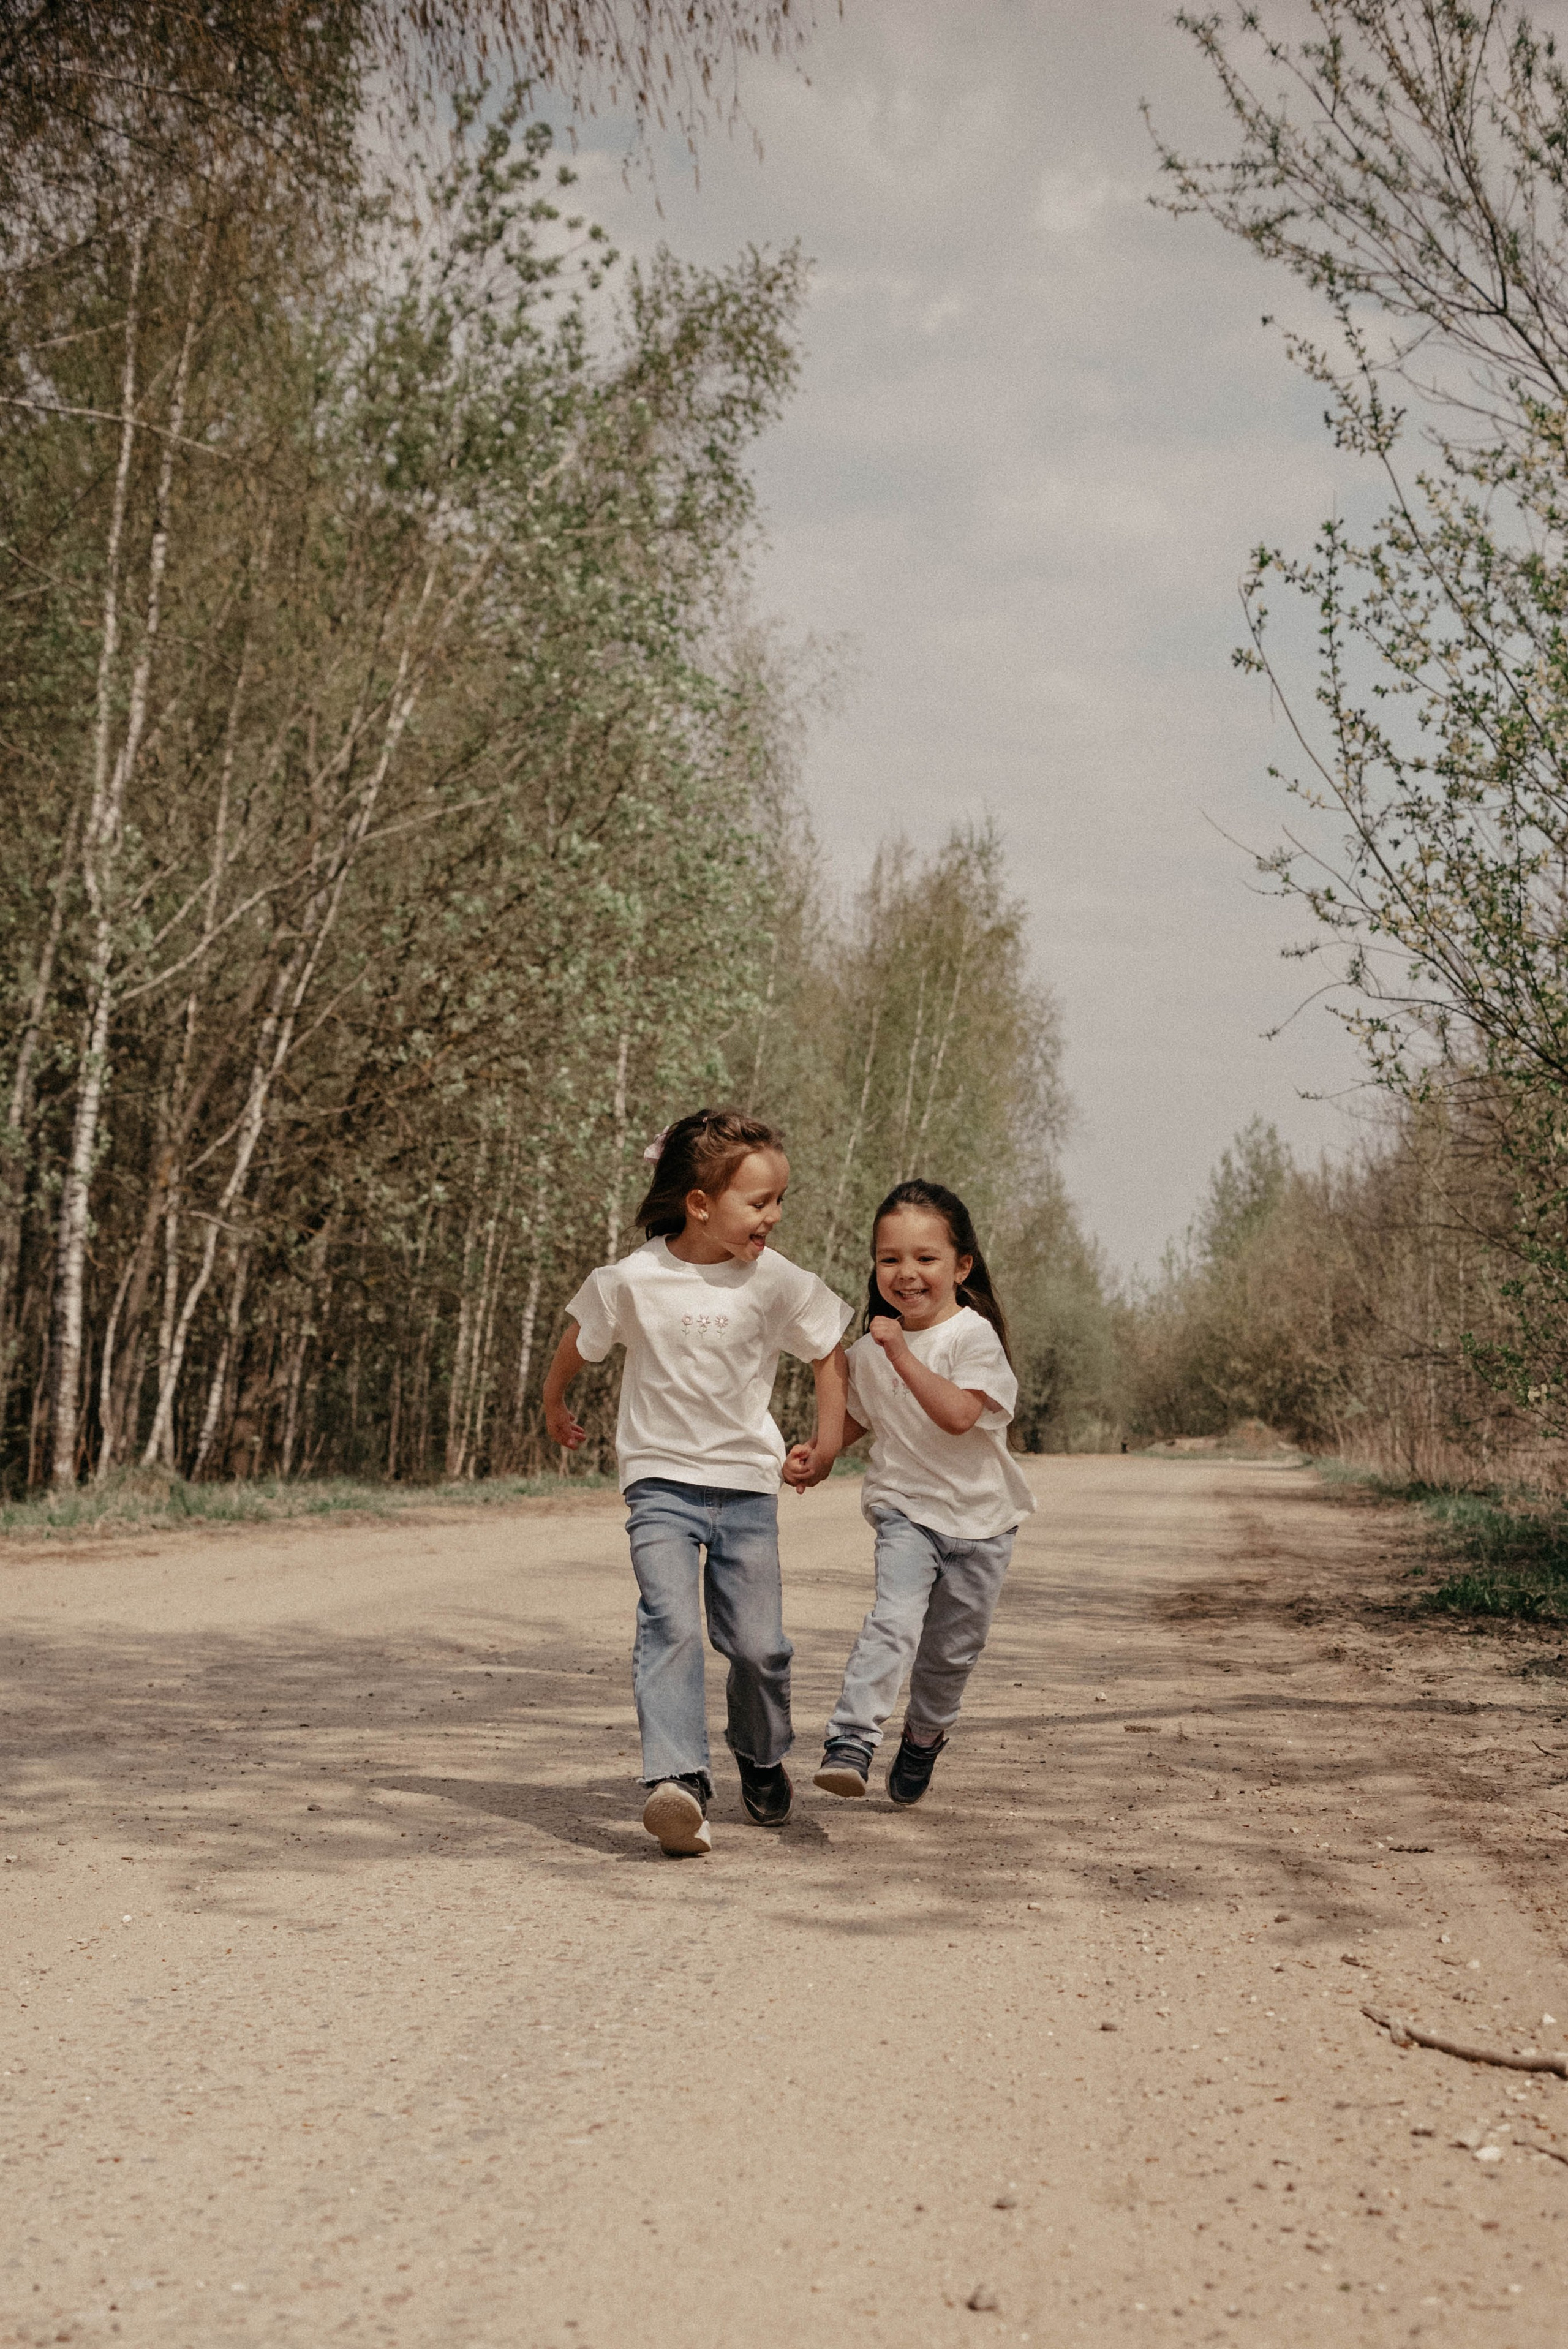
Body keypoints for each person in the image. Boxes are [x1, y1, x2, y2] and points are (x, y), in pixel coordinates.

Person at [541, 1109, 851, 1858]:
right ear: (700, 1203)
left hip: (747, 1485)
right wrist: (553, 1400)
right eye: (758, 1201)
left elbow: (828, 1350)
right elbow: (579, 1340)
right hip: (659, 1482)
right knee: (669, 1624)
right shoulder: (634, 1278)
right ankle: (679, 1781)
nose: (772, 1216)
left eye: (780, 1199)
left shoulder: (776, 1280)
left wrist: (831, 1441)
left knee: (758, 1646)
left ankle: (761, 1753)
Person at [808, 1178, 1034, 1808]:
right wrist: (817, 1455)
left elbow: (959, 1413)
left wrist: (900, 1353)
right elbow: (854, 1418)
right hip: (906, 1511)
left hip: (983, 1524)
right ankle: (850, 1740)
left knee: (949, 1656)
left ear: (961, 1266)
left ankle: (924, 1735)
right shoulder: (871, 1349)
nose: (906, 1273)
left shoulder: (972, 1337)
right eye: (890, 1259)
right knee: (894, 1620)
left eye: (925, 1258)